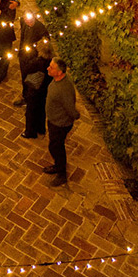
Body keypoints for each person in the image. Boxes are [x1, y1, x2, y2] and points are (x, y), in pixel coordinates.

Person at [43, 58, 80, 186]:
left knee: (56, 148)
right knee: (54, 146)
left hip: (60, 124)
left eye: (51, 67)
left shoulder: (64, 89)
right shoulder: (57, 81)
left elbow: (70, 108)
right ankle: (57, 166)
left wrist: (75, 115)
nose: (48, 68)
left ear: (59, 72)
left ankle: (61, 174)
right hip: (54, 120)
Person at [14, 12, 51, 106]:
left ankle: (30, 99)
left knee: (31, 80)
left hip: (33, 59)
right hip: (23, 56)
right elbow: (23, 36)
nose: (28, 22)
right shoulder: (23, 22)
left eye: (30, 20)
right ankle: (25, 95)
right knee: (24, 78)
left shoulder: (41, 29)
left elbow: (45, 46)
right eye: (27, 20)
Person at [21, 44, 53, 139]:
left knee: (31, 111)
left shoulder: (38, 62)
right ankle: (41, 129)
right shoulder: (51, 62)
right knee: (41, 110)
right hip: (44, 90)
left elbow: (26, 69)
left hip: (34, 90)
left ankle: (30, 132)